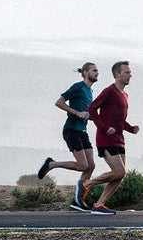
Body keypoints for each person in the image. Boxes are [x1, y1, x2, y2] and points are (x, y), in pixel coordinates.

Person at [37, 62, 99, 212]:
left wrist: (96, 119)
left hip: (82, 131)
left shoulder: (90, 91)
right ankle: (51, 164)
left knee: (91, 166)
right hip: (71, 130)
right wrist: (77, 113)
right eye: (94, 70)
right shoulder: (78, 87)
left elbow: (86, 113)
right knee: (83, 165)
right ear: (85, 73)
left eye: (98, 71)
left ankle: (79, 200)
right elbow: (59, 102)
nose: (97, 73)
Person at [82, 61, 139, 216]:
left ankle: (99, 204)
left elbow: (118, 119)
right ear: (117, 74)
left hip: (119, 139)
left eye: (130, 72)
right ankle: (87, 184)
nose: (130, 75)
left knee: (120, 175)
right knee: (119, 172)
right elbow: (92, 108)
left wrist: (130, 128)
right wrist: (104, 127)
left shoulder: (124, 95)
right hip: (106, 138)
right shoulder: (109, 91)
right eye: (126, 72)